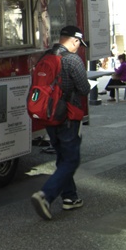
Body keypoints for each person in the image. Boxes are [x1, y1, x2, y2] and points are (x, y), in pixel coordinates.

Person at [31, 25, 91, 220]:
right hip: (68, 117)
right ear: (74, 41)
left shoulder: (45, 57)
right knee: (71, 160)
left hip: (49, 115)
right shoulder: (73, 60)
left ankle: (70, 198)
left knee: (62, 158)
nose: (79, 48)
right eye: (79, 44)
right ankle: (46, 195)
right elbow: (84, 89)